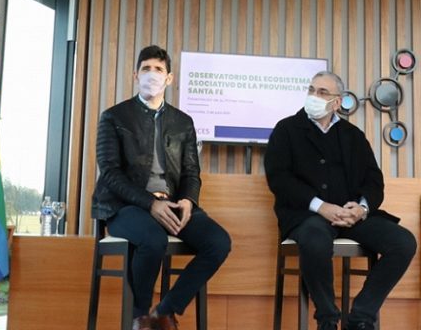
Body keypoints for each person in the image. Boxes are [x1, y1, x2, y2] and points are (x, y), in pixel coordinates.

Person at [92, 45, 231, 330]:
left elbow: (191, 173)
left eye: (158, 69)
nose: (152, 74)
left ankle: (163, 313)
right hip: (124, 207)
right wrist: (150, 203)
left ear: (169, 78)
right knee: (153, 240)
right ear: (135, 75)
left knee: (218, 242)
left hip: (172, 204)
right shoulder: (114, 117)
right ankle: (140, 317)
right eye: (146, 68)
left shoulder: (183, 122)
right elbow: (110, 173)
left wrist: (188, 201)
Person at [265, 71, 416, 330]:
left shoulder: (352, 135)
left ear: (337, 102)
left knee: (403, 242)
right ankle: (327, 319)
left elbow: (374, 180)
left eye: (322, 92)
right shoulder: (286, 130)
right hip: (308, 215)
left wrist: (362, 208)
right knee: (314, 238)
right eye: (311, 90)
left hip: (350, 216)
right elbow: (279, 179)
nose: (314, 96)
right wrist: (321, 207)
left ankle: (360, 317)